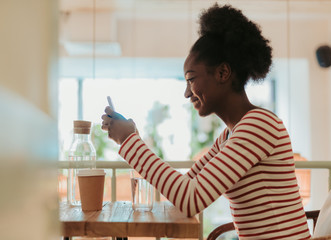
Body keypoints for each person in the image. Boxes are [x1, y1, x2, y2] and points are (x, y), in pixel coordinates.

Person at [101, 3, 310, 239]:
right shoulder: (230, 135)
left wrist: (129, 140)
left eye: (191, 80)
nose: (187, 93)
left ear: (222, 73)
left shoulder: (259, 126)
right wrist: (133, 137)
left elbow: (191, 200)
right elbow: (186, 186)